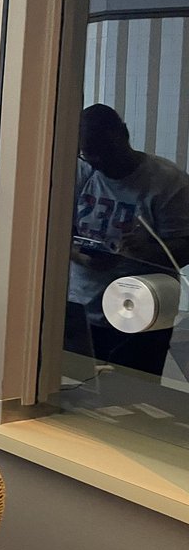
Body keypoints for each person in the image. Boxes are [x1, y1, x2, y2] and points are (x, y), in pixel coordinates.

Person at [65, 103, 189, 375]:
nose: (100, 162)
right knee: (76, 390)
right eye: (90, 155)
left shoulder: (168, 182)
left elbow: (184, 248)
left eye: (107, 152)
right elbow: (52, 234)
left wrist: (147, 251)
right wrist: (78, 254)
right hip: (81, 307)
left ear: (123, 134)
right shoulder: (80, 173)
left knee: (135, 397)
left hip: (140, 313)